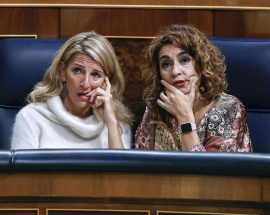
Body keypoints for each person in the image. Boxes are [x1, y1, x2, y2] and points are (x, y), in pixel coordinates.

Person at [135, 24, 252, 152]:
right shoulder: (156, 108)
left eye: (184, 60)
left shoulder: (229, 109)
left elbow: (210, 170)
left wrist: (185, 117)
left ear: (202, 65)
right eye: (166, 64)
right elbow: (143, 166)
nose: (175, 71)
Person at [11, 31, 133, 149]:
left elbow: (121, 170)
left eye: (95, 74)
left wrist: (111, 122)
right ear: (63, 71)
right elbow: (22, 171)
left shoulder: (117, 123)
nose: (85, 84)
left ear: (107, 80)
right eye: (77, 71)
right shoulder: (31, 118)